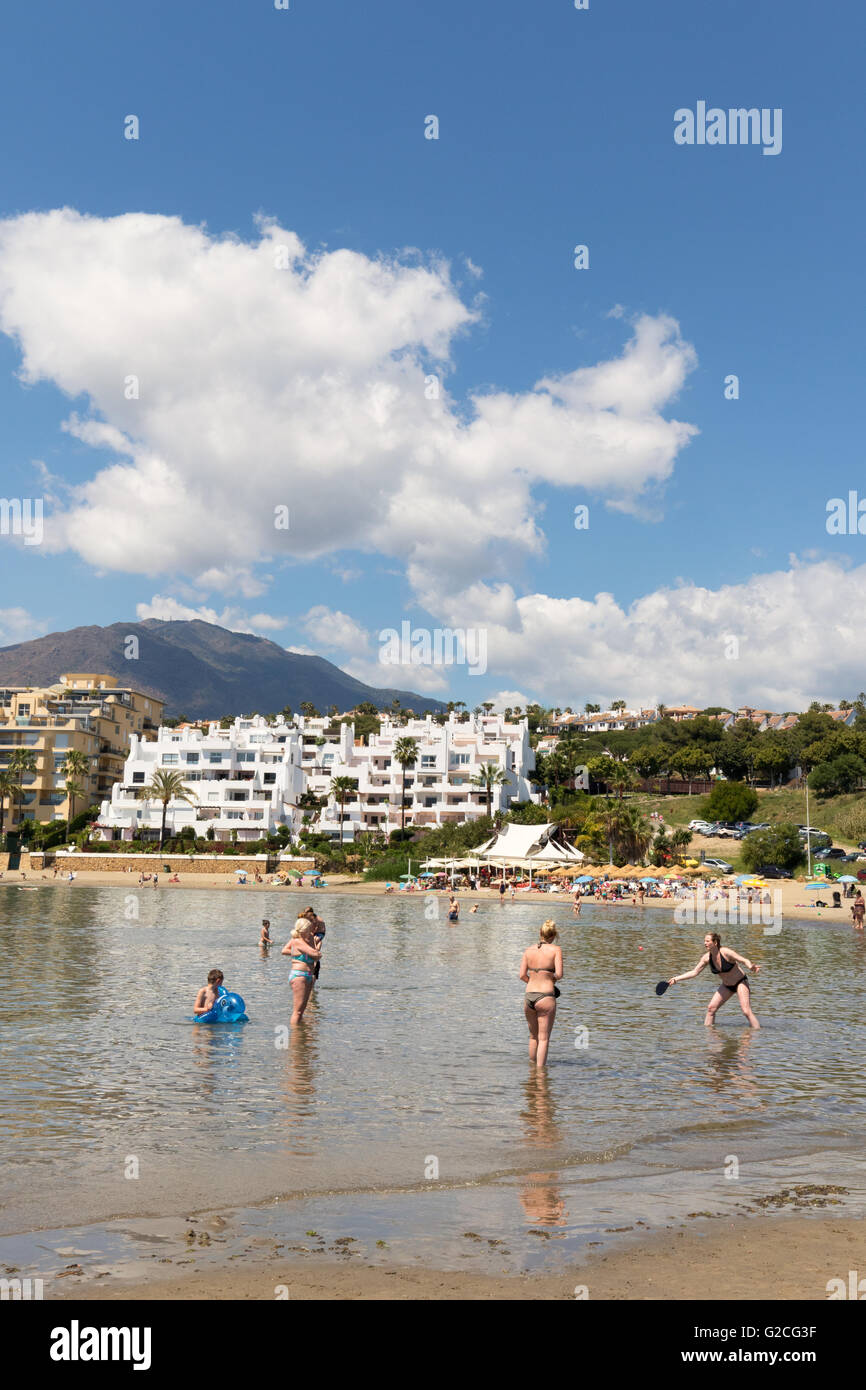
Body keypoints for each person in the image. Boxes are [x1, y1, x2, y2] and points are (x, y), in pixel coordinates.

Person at [668, 932, 761, 1028]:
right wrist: (676, 978)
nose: (705, 943)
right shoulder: (706, 958)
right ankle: (710, 1037)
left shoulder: (725, 952)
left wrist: (750, 966)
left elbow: (743, 960)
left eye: (707, 941)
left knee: (746, 1011)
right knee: (711, 1009)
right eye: (704, 941)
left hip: (740, 982)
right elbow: (694, 972)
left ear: (715, 942)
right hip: (727, 986)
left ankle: (757, 1033)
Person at [518, 921, 563, 1068]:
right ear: (554, 935)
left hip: (529, 995)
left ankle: (532, 1072)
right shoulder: (556, 950)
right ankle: (540, 1075)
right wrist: (549, 979)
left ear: (540, 933)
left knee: (533, 1037)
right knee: (543, 1039)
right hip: (546, 996)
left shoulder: (528, 950)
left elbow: (522, 976)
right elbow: (559, 974)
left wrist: (535, 980)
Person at [282, 919, 321, 1025]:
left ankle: (300, 1036)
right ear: (303, 929)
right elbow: (316, 954)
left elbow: (316, 956)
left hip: (309, 975)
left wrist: (312, 953)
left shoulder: (311, 939)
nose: (311, 930)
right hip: (299, 975)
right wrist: (298, 952)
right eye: (309, 928)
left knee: (302, 1011)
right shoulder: (297, 940)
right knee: (297, 1011)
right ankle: (295, 1037)